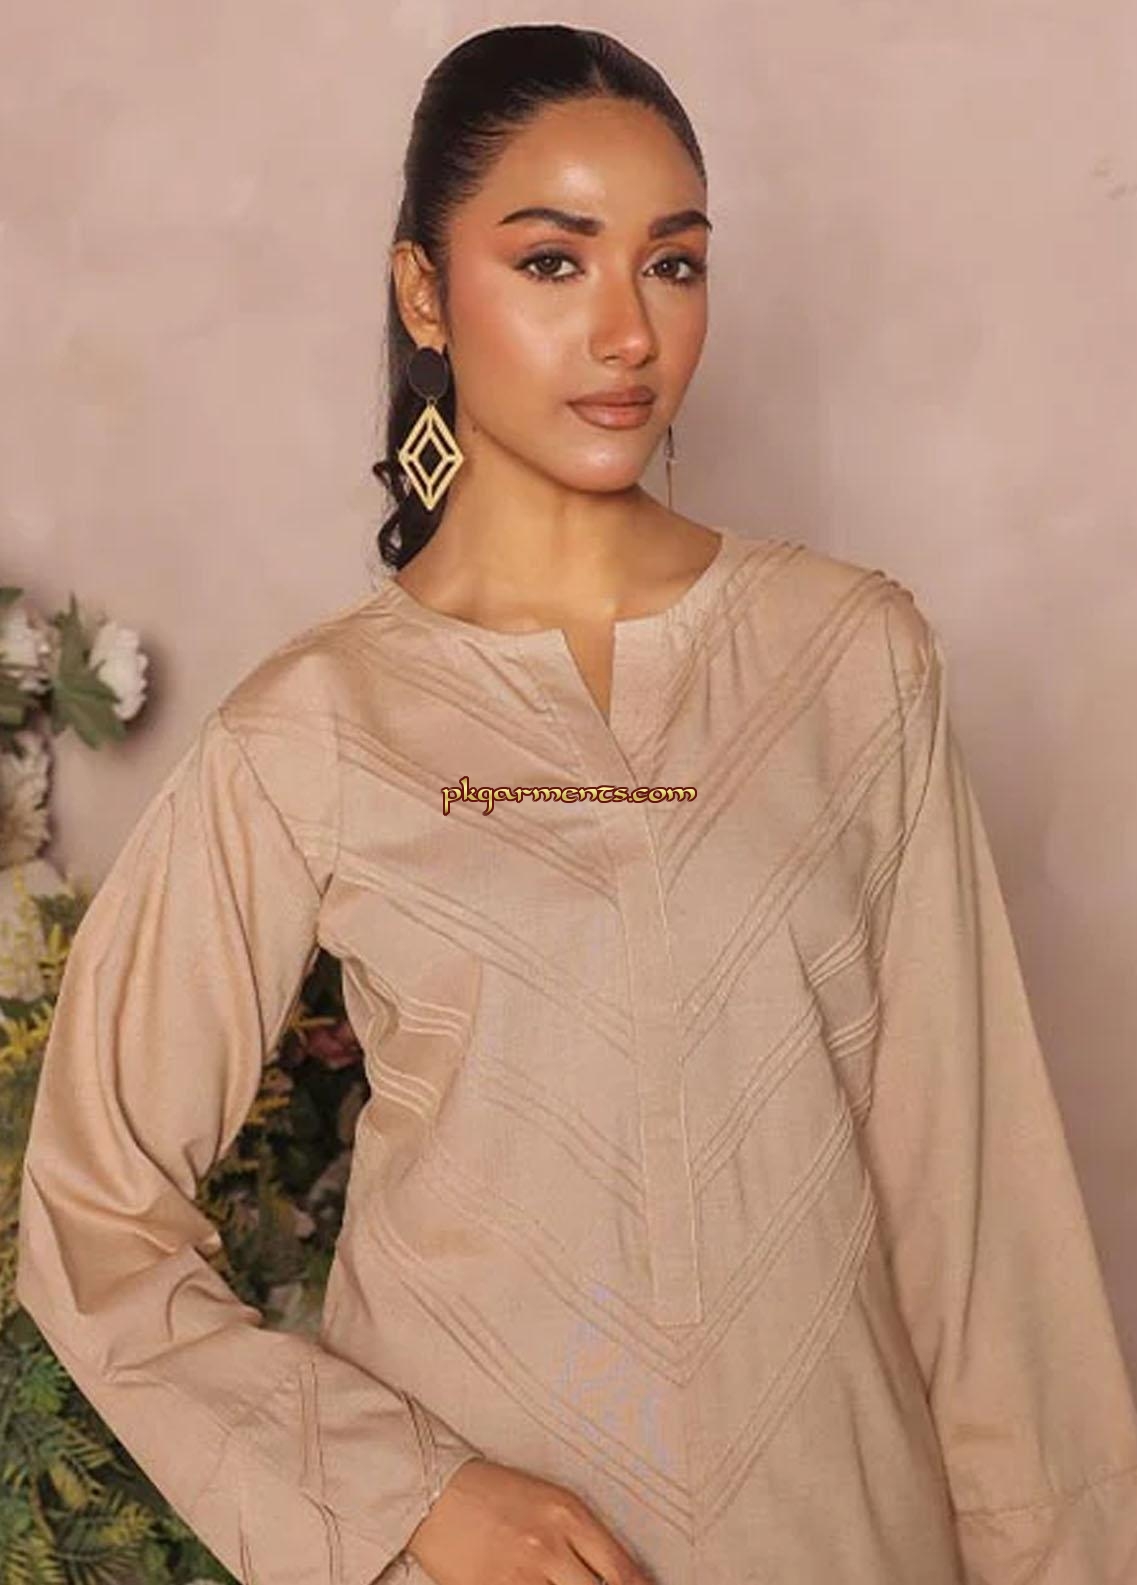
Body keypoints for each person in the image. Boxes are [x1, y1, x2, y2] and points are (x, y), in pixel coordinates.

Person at [15, 22, 1137, 1585]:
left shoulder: (846, 659)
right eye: (552, 262)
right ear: (424, 292)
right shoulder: (314, 728)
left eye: (671, 265)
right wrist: (409, 1496)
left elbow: (981, 1215)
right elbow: (92, 1215)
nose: (626, 332)